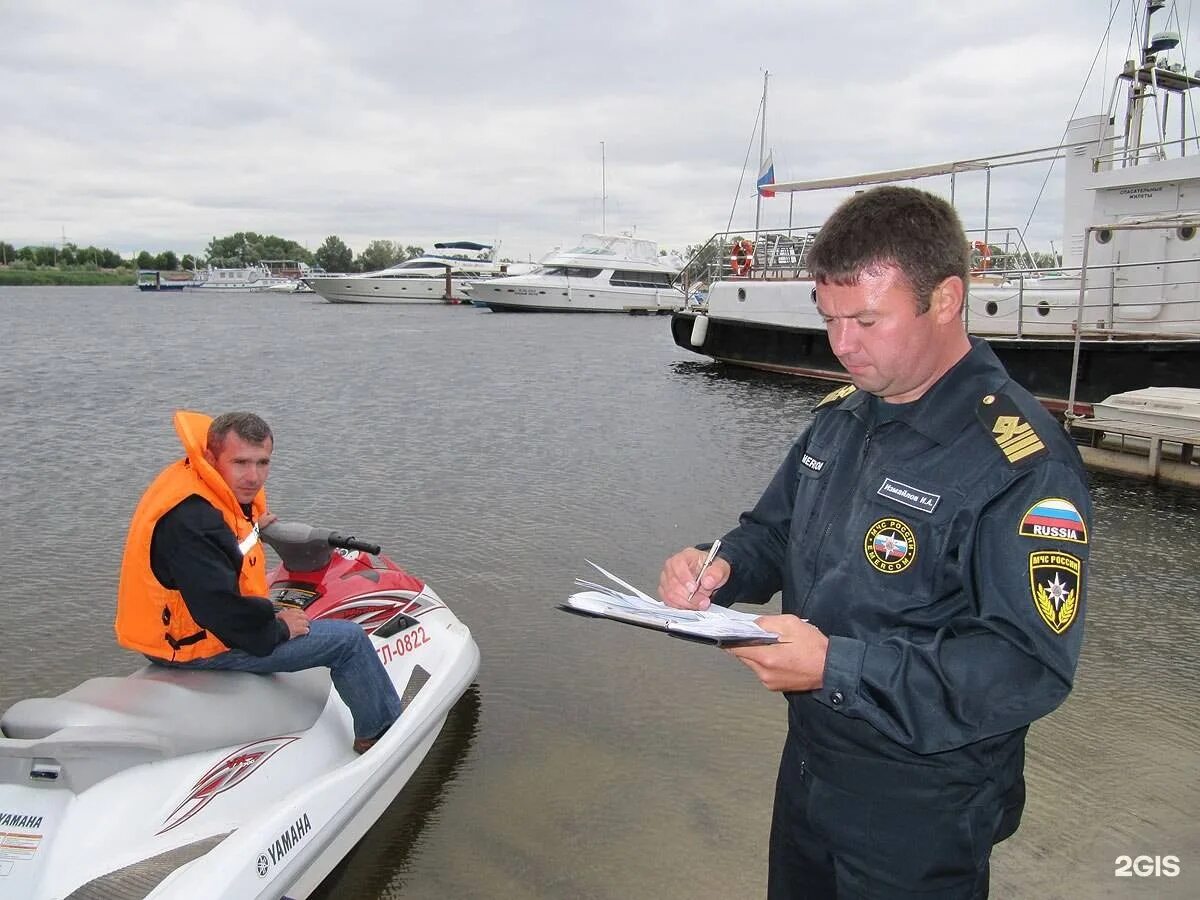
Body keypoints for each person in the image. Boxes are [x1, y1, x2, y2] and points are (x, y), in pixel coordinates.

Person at [658, 186, 1091, 899]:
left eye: (866, 319)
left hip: (921, 804)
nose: (841, 345)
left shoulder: (1021, 464)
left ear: (946, 299)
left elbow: (1025, 667)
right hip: (811, 767)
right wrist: (721, 567)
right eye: (829, 319)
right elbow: (773, 530)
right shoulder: (841, 418)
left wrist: (836, 667)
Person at [115, 409, 401, 754]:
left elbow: (220, 544)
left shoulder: (197, 483)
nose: (253, 477)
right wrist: (279, 629)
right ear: (211, 456)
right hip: (196, 645)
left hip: (173, 630)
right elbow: (218, 610)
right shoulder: (195, 522)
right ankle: (381, 734)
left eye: (262, 463)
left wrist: (253, 522)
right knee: (349, 641)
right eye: (241, 463)